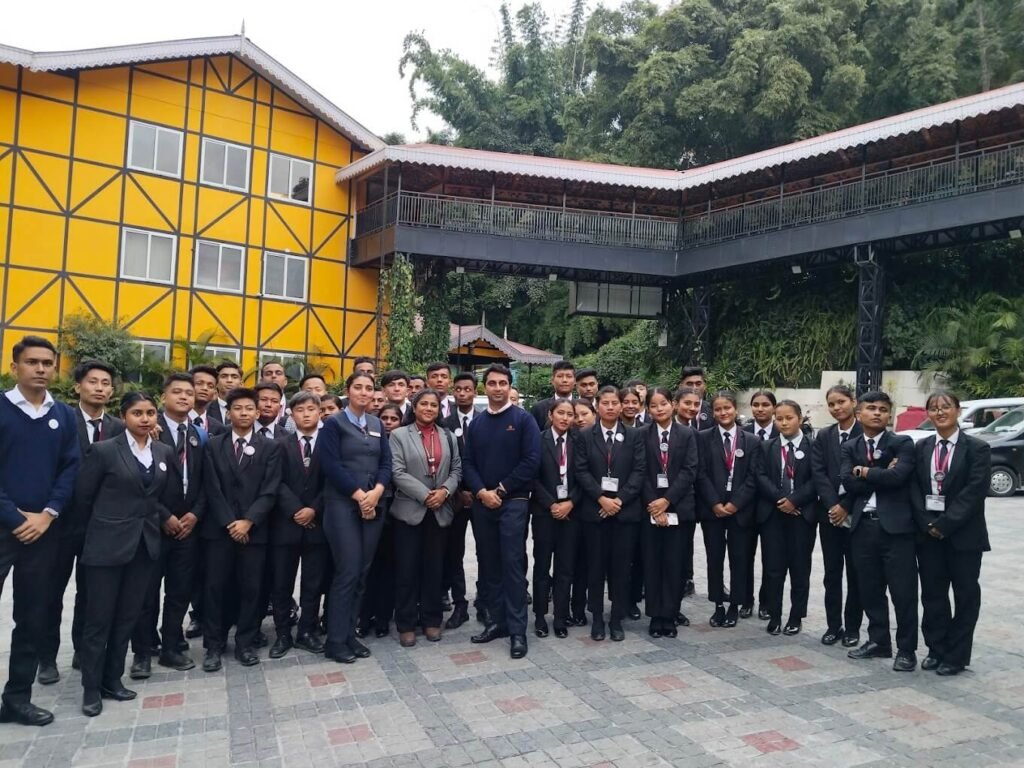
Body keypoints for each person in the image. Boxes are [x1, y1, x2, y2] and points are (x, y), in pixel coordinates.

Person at [75, 392, 183, 717]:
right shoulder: (105, 451)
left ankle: (112, 679)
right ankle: (91, 689)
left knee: (126, 618)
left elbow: (164, 496)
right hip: (106, 547)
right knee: (99, 621)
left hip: (144, 546)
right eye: (138, 413)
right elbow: (83, 499)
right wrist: (89, 541)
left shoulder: (163, 451)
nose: (146, 418)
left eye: (151, 412)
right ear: (124, 416)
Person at [0, 336, 81, 727]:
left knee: (32, 618)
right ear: (15, 367)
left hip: (43, 532)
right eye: (32, 362)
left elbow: (70, 468)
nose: (41, 369)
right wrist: (16, 519)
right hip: (5, 529)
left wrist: (48, 514)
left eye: (48, 363)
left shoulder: (63, 416)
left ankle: (17, 699)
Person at [38, 360, 123, 687]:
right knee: (51, 592)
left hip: (100, 526)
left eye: (105, 383)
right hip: (60, 523)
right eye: (93, 382)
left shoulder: (118, 427)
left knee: (92, 594)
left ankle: (83, 651)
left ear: (112, 391)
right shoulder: (59, 420)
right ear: (77, 387)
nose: (99, 388)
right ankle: (46, 657)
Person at [130, 373, 218, 680]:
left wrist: (195, 514)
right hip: (155, 525)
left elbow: (208, 481)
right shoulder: (148, 432)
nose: (184, 397)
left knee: (180, 591)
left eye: (189, 393)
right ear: (163, 396)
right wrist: (164, 515)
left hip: (188, 527)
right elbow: (140, 483)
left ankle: (171, 647)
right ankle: (142, 652)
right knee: (146, 592)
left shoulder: (198, 435)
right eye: (177, 392)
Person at [200, 387, 283, 672]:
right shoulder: (213, 445)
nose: (244, 413)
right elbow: (211, 488)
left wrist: (248, 521)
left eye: (250, 408)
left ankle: (245, 643)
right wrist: (230, 523)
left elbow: (270, 490)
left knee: (252, 589)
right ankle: (214, 644)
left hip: (255, 531)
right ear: (228, 412)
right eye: (238, 408)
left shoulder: (271, 447)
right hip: (219, 531)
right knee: (215, 588)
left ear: (258, 413)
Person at [910, 392, 990, 676]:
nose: (940, 412)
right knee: (933, 596)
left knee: (966, 595)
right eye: (934, 408)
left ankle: (956, 655)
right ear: (928, 414)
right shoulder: (921, 448)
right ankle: (936, 649)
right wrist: (926, 523)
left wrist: (944, 524)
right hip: (928, 536)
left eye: (946, 407)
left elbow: (974, 492)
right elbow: (915, 489)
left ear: (958, 411)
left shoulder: (978, 448)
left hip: (964, 537)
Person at [464, 364, 540, 659]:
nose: (497, 388)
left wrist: (501, 490)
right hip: (484, 503)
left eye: (502, 383)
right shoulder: (478, 423)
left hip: (514, 502)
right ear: (485, 387)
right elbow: (468, 461)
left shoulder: (523, 420)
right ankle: (497, 622)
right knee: (489, 564)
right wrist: (482, 491)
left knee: (511, 564)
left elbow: (531, 460)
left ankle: (518, 631)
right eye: (492, 383)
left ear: (510, 387)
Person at [841, 390, 918, 672]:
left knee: (903, 592)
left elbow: (900, 478)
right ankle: (879, 641)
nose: (877, 413)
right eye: (871, 408)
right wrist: (880, 473)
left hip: (896, 530)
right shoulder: (850, 446)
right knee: (870, 590)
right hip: (863, 527)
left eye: (883, 409)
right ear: (859, 413)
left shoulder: (902, 442)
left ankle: (907, 650)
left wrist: (865, 472)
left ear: (889, 415)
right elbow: (848, 483)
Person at [319, 371, 392, 664]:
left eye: (369, 388)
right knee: (347, 571)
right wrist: (359, 496)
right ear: (348, 391)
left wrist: (376, 492)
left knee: (363, 572)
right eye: (358, 388)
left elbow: (386, 462)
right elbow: (330, 465)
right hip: (342, 505)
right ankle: (335, 641)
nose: (364, 392)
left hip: (373, 504)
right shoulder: (334, 424)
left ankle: (350, 634)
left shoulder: (376, 424)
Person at [389, 389, 462, 647]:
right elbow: (396, 471)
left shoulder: (448, 436)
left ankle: (432, 620)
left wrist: (443, 492)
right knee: (407, 569)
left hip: (440, 511)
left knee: (434, 569)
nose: (429, 408)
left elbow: (456, 469)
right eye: (424, 404)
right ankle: (406, 623)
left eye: (434, 405)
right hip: (410, 511)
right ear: (415, 406)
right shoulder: (398, 435)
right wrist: (425, 495)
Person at [574, 385, 646, 642]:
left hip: (625, 514)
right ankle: (597, 619)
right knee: (595, 567)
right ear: (597, 406)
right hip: (595, 513)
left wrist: (619, 500)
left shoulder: (635, 435)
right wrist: (602, 499)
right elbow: (580, 471)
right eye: (605, 403)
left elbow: (639, 471)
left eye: (615, 402)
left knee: (620, 569)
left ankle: (616, 618)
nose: (611, 407)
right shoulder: (584, 435)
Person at [269, 391, 329, 659]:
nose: (306, 414)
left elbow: (332, 481)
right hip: (286, 524)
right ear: (291, 415)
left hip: (318, 524)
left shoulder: (330, 444)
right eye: (300, 410)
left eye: (311, 409)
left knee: (313, 583)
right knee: (281, 582)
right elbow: (275, 482)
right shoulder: (280, 445)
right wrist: (296, 509)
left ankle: (307, 630)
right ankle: (282, 634)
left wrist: (313, 509)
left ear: (319, 412)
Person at [697, 391, 761, 628]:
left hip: (740, 510)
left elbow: (754, 477)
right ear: (712, 412)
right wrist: (714, 502)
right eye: (718, 409)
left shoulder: (751, 441)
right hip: (712, 510)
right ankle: (718, 605)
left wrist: (735, 503)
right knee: (714, 557)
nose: (723, 413)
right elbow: (700, 473)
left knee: (739, 558)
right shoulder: (703, 438)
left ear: (735, 409)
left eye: (727, 408)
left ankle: (736, 604)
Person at [755, 400, 818, 637]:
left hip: (802, 515)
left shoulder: (814, 447)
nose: (783, 422)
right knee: (773, 568)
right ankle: (774, 614)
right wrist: (782, 500)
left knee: (800, 568)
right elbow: (760, 476)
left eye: (788, 418)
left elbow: (817, 479)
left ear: (799, 418)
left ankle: (795, 616)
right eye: (779, 418)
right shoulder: (766, 447)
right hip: (773, 514)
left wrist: (796, 500)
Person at [641, 386, 698, 637]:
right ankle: (656, 617)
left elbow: (689, 470)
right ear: (648, 409)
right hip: (650, 508)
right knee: (653, 564)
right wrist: (655, 504)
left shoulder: (687, 434)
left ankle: (671, 614)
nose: (659, 409)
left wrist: (667, 501)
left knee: (675, 564)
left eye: (663, 403)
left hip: (678, 508)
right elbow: (639, 471)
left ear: (673, 404)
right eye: (653, 405)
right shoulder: (641, 434)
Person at [811, 384, 863, 648]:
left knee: (855, 573)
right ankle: (834, 625)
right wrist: (834, 505)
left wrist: (846, 505)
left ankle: (853, 627)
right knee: (832, 573)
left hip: (857, 514)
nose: (836, 408)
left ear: (853, 402)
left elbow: (869, 475)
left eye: (841, 402)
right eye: (831, 404)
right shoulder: (824, 436)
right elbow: (818, 472)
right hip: (830, 515)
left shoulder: (866, 433)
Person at [530, 398, 581, 638]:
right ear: (551, 415)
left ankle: (560, 616)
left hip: (571, 513)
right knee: (542, 567)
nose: (565, 418)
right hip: (544, 513)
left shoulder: (580, 440)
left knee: (565, 567)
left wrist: (570, 502)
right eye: (560, 413)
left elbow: (586, 475)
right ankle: (540, 616)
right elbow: (532, 477)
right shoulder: (537, 440)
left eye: (569, 414)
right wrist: (551, 504)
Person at [358, 402, 402, 639]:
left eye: (393, 419)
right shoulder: (370, 443)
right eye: (384, 418)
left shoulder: (404, 443)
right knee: (367, 568)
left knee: (388, 569)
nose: (388, 423)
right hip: (372, 510)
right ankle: (364, 617)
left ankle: (383, 618)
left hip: (398, 516)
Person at [442, 372, 481, 629]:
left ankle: (485, 601)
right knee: (454, 554)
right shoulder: (444, 423)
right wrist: (457, 492)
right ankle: (460, 605)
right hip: (455, 497)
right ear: (453, 392)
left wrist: (478, 491)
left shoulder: (486, 420)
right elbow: (444, 463)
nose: (463, 393)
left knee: (485, 552)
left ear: (475, 392)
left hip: (482, 497)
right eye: (459, 389)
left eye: (468, 389)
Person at [742, 390, 778, 619]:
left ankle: (767, 602)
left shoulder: (782, 431)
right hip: (745, 505)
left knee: (771, 558)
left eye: (765, 404)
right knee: (744, 556)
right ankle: (745, 600)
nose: (760, 409)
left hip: (771, 506)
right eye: (756, 404)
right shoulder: (742, 433)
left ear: (774, 408)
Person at [530, 360, 576, 430]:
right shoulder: (539, 408)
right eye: (560, 376)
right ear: (552, 380)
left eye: (569, 376)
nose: (564, 380)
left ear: (575, 381)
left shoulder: (581, 407)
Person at [189, 365, 220, 432]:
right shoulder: (173, 420)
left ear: (215, 394)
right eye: (199, 383)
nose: (205, 388)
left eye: (210, 386)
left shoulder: (219, 429)